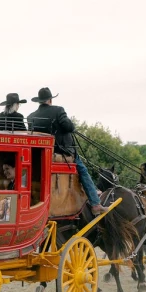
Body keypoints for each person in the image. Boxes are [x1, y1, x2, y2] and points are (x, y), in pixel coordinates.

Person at [27, 87, 106, 215]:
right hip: (63, 152)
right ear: (50, 100)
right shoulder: (58, 110)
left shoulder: (31, 117)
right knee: (83, 170)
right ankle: (95, 204)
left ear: (39, 101)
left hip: (41, 155)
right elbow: (69, 127)